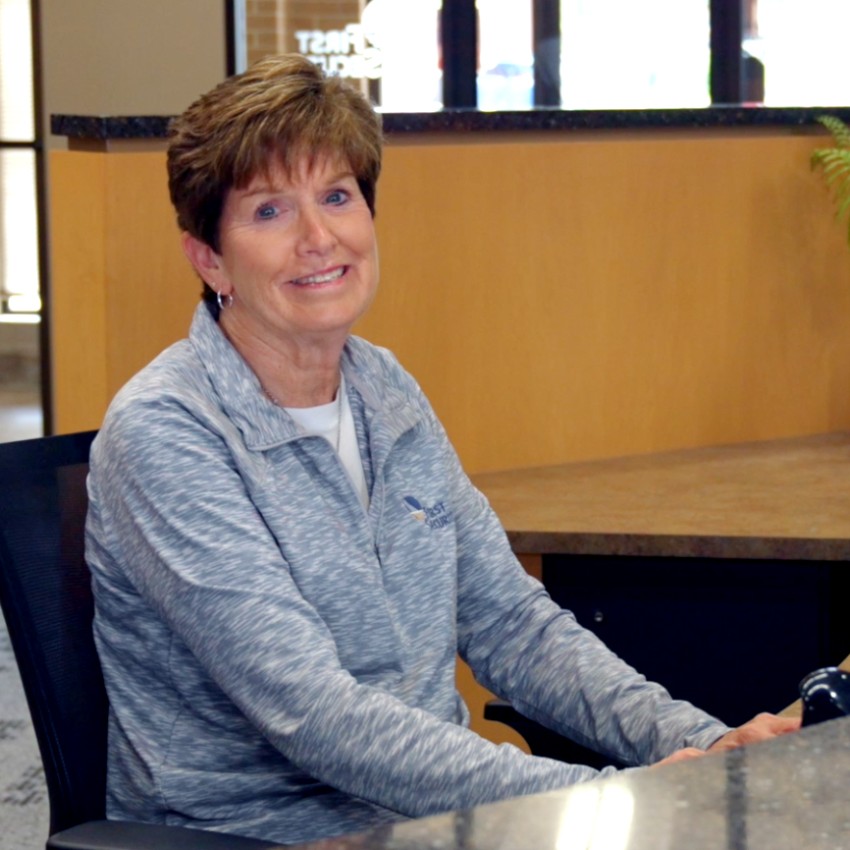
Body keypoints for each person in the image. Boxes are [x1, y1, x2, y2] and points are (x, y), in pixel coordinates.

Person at [85, 54, 799, 847]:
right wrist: (613, 795)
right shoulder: (167, 431)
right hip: (266, 834)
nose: (320, 239)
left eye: (337, 196)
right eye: (268, 213)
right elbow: (316, 715)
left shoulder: (382, 387)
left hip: (430, 820)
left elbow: (509, 622)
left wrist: (698, 746)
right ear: (208, 257)